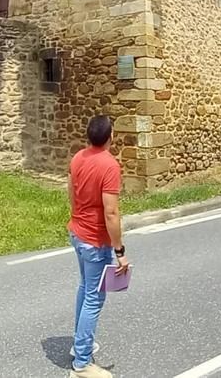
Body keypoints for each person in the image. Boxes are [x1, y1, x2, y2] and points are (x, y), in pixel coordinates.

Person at [67, 115, 130, 378]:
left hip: (77, 233)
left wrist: (77, 214)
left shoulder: (78, 157)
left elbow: (70, 188)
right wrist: (119, 251)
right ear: (110, 136)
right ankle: (82, 362)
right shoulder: (109, 165)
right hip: (95, 241)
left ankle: (81, 342)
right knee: (94, 297)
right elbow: (111, 212)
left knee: (85, 287)